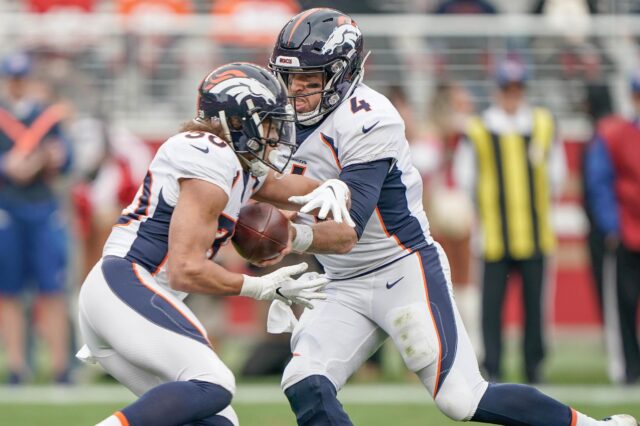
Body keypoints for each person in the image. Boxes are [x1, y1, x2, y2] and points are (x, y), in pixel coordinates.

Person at [267, 8, 638, 426]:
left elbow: (346, 231)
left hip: (400, 270)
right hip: (341, 283)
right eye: (289, 78)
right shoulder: (277, 119)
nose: (295, 91)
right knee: (304, 381)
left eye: (309, 80)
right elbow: (257, 187)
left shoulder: (369, 117)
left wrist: (285, 237)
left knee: (461, 398)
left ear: (342, 75)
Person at [78, 62, 354, 426]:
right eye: (268, 121)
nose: (276, 134)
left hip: (130, 296)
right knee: (214, 382)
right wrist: (260, 286)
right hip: (126, 283)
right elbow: (184, 269)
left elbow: (291, 190)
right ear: (237, 120)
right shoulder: (209, 154)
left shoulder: (236, 164)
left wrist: (336, 187)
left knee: (219, 419)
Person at [454, 58, 566, 384]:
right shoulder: (479, 129)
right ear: (497, 90)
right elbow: (466, 179)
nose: (512, 95)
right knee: (492, 309)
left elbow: (556, 177)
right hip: (493, 236)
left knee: (535, 308)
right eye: (507, 89)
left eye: (517, 89)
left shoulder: (543, 124)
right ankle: (494, 367)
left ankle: (534, 365)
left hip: (535, 234)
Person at [0, 51, 73, 384]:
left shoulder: (48, 117)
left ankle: (60, 367)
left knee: (52, 289)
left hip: (44, 208)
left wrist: (51, 158)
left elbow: (67, 160)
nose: (17, 85)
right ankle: (17, 366)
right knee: (9, 291)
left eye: (21, 78)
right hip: (7, 209)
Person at [584, 72, 640, 385]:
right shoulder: (614, 135)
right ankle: (628, 368)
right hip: (629, 233)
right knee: (624, 305)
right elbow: (600, 183)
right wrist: (612, 225)